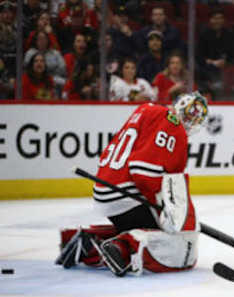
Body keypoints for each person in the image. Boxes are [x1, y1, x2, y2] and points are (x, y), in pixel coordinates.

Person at [55, 91, 209, 276]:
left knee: (141, 228)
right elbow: (143, 172)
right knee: (174, 242)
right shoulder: (174, 127)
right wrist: (164, 208)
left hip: (106, 189)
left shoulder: (146, 109)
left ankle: (87, 241)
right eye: (190, 116)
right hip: (127, 195)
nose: (190, 122)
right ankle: (121, 248)